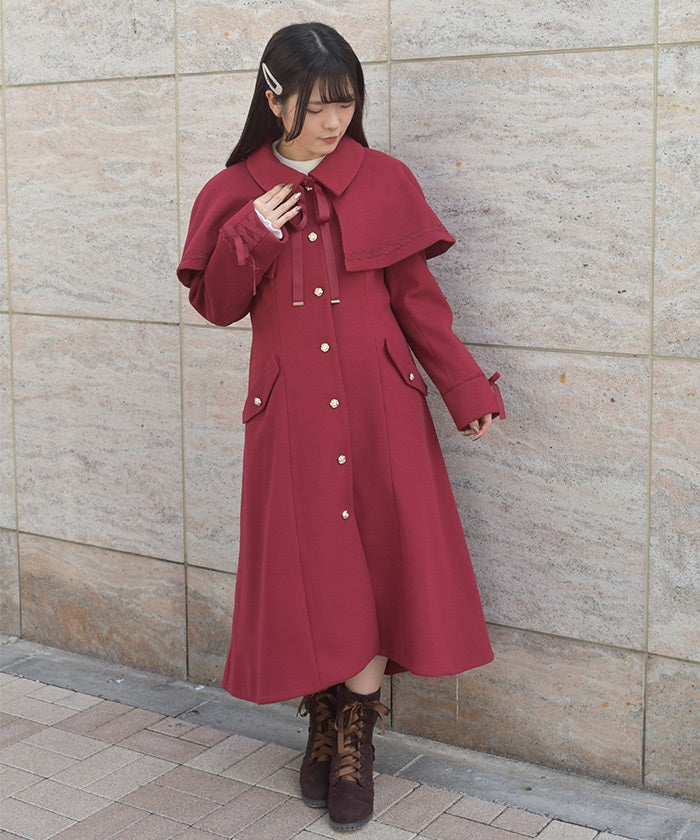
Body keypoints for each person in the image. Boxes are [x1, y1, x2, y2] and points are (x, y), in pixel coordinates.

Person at [177, 21, 505, 832]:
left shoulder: (384, 180)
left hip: (381, 408)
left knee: (380, 560)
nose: (332, 122)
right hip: (289, 414)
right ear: (272, 99)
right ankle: (322, 713)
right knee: (310, 564)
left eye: (346, 103)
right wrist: (253, 232)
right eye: (316, 105)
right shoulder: (233, 192)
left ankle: (354, 730)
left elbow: (417, 302)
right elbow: (216, 306)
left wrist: (464, 388)